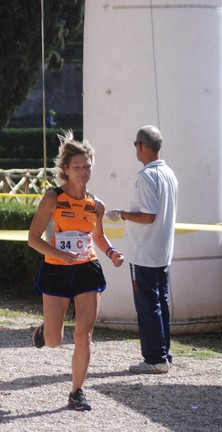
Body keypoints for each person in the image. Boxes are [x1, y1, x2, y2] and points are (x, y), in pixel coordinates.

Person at [28, 130, 124, 411]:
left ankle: (76, 392)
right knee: (55, 340)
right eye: (77, 167)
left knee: (84, 335)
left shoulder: (96, 205)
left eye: (87, 166)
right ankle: (46, 329)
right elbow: (33, 239)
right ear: (66, 170)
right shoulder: (53, 198)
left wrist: (111, 252)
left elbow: (98, 237)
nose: (83, 171)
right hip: (56, 270)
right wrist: (59, 253)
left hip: (87, 270)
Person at [106, 125, 178, 374]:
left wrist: (121, 214)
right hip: (161, 251)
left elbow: (148, 216)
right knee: (161, 303)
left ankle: (155, 358)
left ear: (141, 146)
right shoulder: (169, 173)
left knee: (148, 306)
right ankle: (164, 354)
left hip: (145, 252)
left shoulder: (147, 176)